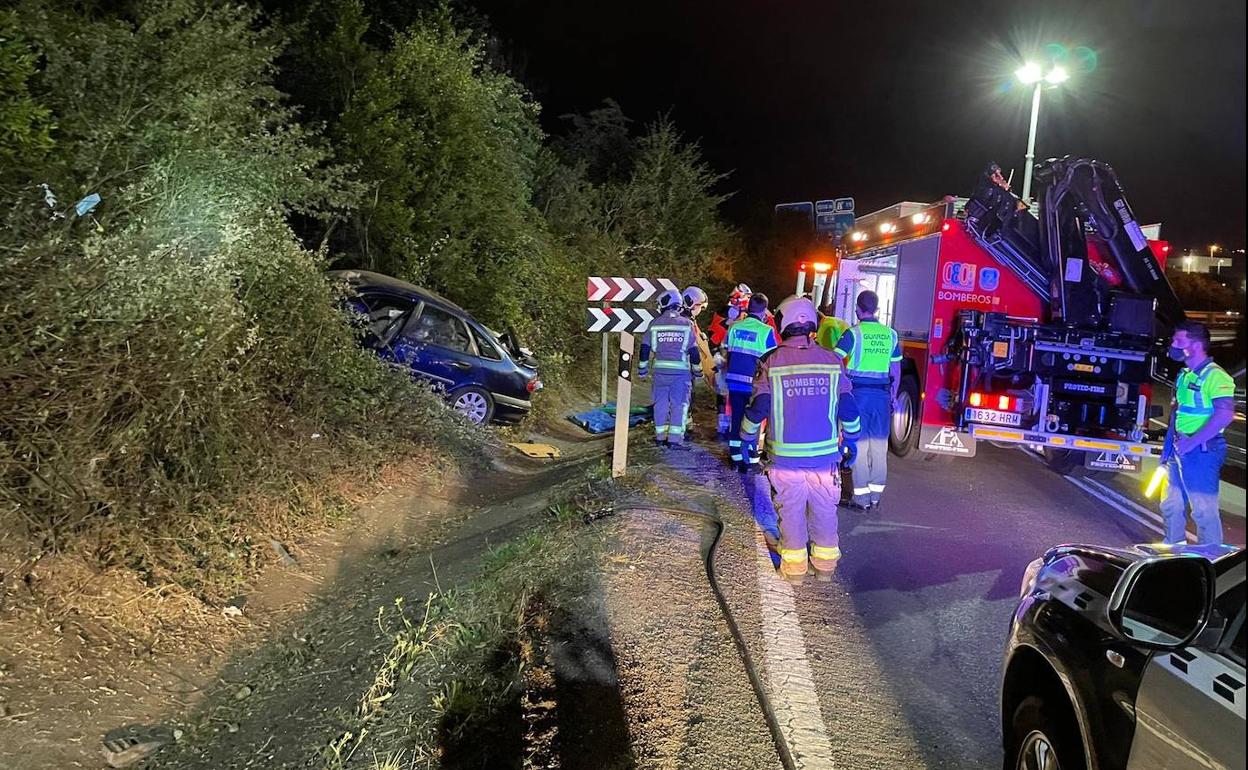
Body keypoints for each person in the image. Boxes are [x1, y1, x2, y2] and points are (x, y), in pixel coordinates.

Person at [740, 295, 861, 583]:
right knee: (824, 510)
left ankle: (794, 570)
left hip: (785, 459)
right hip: (825, 458)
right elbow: (848, 407)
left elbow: (759, 409)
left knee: (791, 510)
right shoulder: (832, 361)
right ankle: (824, 568)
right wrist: (853, 439)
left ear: (782, 323)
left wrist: (746, 437)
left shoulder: (771, 361)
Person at [1159, 321, 1235, 544]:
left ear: (1196, 345)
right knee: (1171, 504)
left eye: (1179, 340)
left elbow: (1225, 415)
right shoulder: (1185, 374)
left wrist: (1190, 443)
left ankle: (1212, 561)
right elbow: (1177, 415)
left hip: (1202, 451)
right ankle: (1172, 553)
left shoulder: (1215, 376)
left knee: (1203, 510)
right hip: (1180, 449)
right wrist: (1168, 453)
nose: (1173, 344)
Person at [834, 290, 901, 509]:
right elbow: (895, 368)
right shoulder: (891, 334)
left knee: (859, 445)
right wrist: (894, 395)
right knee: (879, 446)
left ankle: (861, 498)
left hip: (858, 396)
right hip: (882, 397)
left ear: (858, 309)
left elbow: (835, 360)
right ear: (877, 309)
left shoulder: (853, 333)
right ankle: (875, 496)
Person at [639, 290, 700, 450]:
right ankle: (674, 440)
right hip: (680, 374)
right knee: (679, 405)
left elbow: (645, 348)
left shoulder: (655, 323)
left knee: (660, 404)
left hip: (660, 372)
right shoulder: (686, 324)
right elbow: (694, 351)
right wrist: (698, 371)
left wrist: (642, 369)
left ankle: (660, 437)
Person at [724, 293, 777, 472]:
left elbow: (728, 354)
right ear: (764, 311)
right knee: (752, 420)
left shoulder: (733, 328)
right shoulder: (766, 331)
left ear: (748, 308)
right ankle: (750, 461)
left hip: (733, 381)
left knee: (737, 418)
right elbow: (772, 360)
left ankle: (735, 458)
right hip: (754, 384)